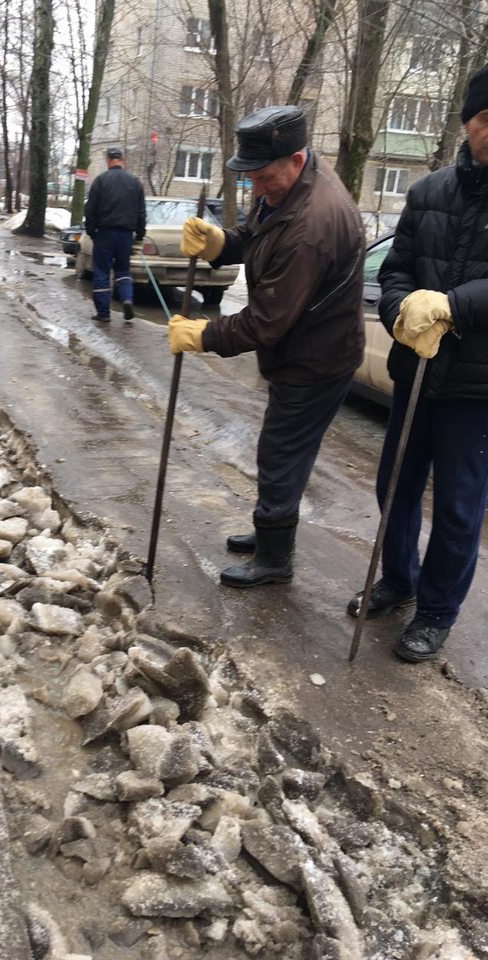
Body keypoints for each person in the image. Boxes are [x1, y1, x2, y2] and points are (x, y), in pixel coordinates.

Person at [168, 106, 365, 589]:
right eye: (250, 177)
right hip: (307, 346)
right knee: (283, 454)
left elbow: (267, 323)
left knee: (280, 455)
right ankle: (270, 534)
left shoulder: (312, 225)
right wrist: (220, 243)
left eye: (264, 176)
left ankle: (276, 558)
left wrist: (203, 334)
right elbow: (259, 235)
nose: (257, 187)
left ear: (296, 160)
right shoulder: (290, 190)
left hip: (315, 359)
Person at [347, 65, 488, 663]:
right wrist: (405, 309)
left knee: (458, 504)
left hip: (478, 387)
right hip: (417, 370)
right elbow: (396, 269)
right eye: (487, 120)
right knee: (396, 484)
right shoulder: (428, 192)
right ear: (468, 123)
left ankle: (435, 611)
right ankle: (398, 578)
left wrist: (453, 306)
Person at [84, 146, 146, 322]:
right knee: (123, 270)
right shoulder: (135, 182)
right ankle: (127, 298)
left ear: (108, 160)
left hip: (104, 233)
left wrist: (91, 230)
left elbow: (90, 209)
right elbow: (141, 211)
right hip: (126, 234)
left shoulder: (101, 181)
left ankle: (103, 313)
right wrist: (140, 234)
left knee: (102, 272)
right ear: (122, 160)